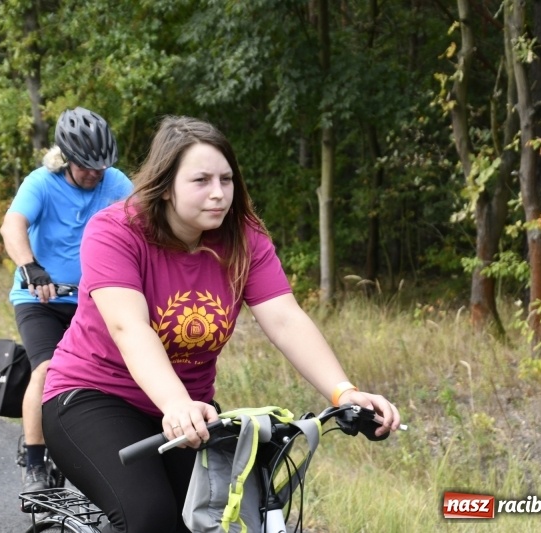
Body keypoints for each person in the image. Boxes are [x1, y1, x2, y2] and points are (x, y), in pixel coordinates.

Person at [41, 115, 402, 533]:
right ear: (165, 184)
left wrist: (346, 393)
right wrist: (175, 403)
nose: (218, 194)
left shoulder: (243, 239)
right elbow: (129, 328)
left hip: (191, 414)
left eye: (226, 179)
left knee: (228, 519)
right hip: (92, 398)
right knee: (153, 518)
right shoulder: (116, 231)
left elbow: (285, 319)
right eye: (201, 181)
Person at [0, 107, 132, 494]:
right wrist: (30, 266)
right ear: (66, 158)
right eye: (86, 166)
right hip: (39, 298)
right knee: (48, 367)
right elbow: (13, 225)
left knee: (117, 371)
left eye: (101, 167)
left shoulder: (117, 183)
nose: (95, 174)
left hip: (93, 300)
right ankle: (35, 458)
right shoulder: (41, 182)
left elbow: (142, 227)